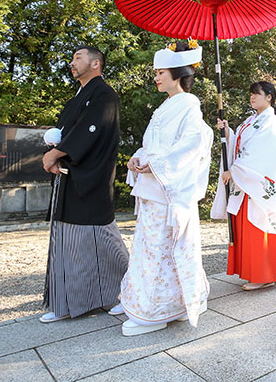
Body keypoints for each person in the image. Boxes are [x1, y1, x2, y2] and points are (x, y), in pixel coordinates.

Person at [119, 40, 213, 336]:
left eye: (161, 72)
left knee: (161, 248)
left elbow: (190, 145)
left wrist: (156, 165)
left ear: (177, 74)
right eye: (156, 72)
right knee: (153, 249)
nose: (157, 77)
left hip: (168, 191)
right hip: (155, 189)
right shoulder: (166, 108)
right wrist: (139, 158)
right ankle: (169, 304)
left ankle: (156, 311)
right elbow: (154, 147)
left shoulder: (189, 106)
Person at [40, 46, 129, 323]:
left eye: (78, 57)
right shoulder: (80, 95)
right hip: (72, 174)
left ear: (95, 63)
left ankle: (133, 292)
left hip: (93, 177)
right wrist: (58, 153)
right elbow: (68, 132)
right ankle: (70, 301)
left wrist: (56, 153)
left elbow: (90, 130)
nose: (72, 62)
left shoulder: (104, 94)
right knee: (70, 242)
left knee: (103, 238)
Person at [212, 82, 276, 290]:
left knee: (261, 225)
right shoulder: (251, 121)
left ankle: (264, 275)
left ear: (269, 97)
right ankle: (263, 272)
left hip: (260, 183)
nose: (252, 98)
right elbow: (241, 145)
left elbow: (259, 152)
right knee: (254, 228)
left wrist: (236, 170)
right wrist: (228, 133)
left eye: (257, 94)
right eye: (251, 94)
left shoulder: (271, 122)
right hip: (249, 184)